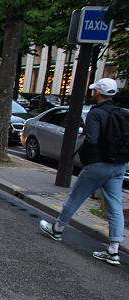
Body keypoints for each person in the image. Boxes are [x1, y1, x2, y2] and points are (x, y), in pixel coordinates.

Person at [39, 78, 126, 265]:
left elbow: (91, 139)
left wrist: (86, 159)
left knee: (76, 197)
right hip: (118, 165)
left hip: (97, 164)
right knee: (115, 206)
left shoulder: (96, 113)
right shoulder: (122, 113)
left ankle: (57, 229)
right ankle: (114, 250)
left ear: (97, 93)